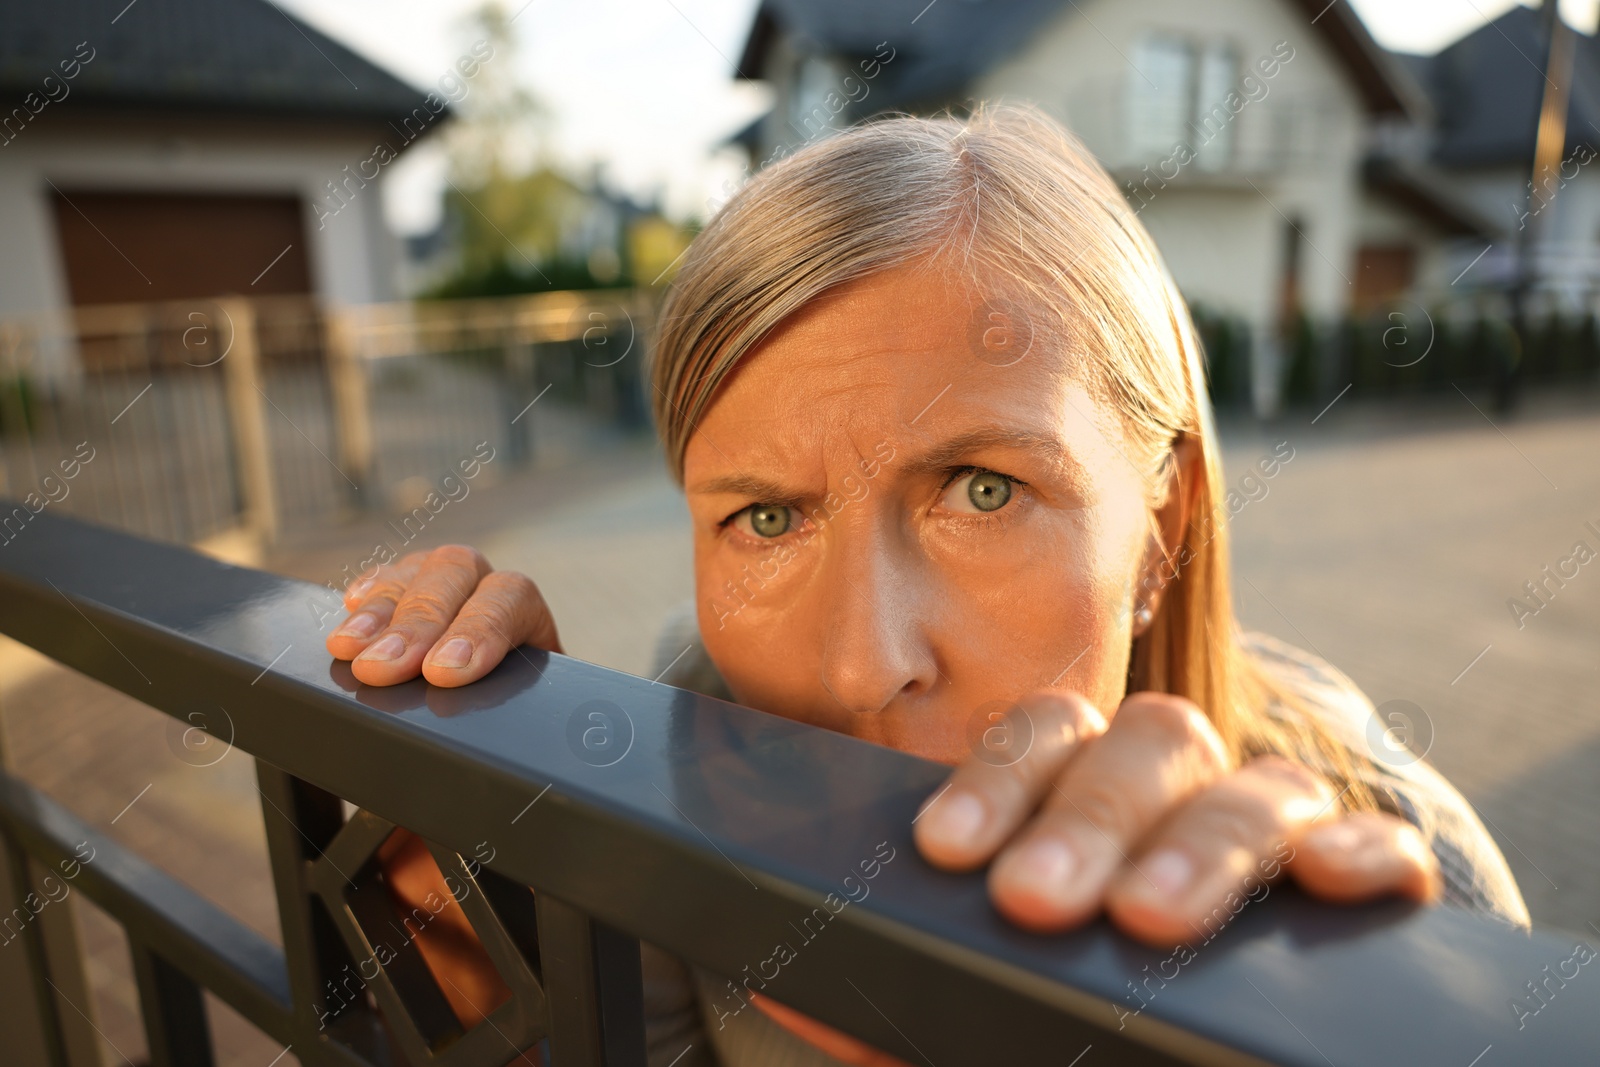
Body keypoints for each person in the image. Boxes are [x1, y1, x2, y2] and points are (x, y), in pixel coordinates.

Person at [326, 106, 1528, 1066]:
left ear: (1161, 527)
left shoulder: (1401, 885)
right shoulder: (679, 763)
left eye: (982, 488)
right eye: (765, 516)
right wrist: (492, 949)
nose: (860, 664)